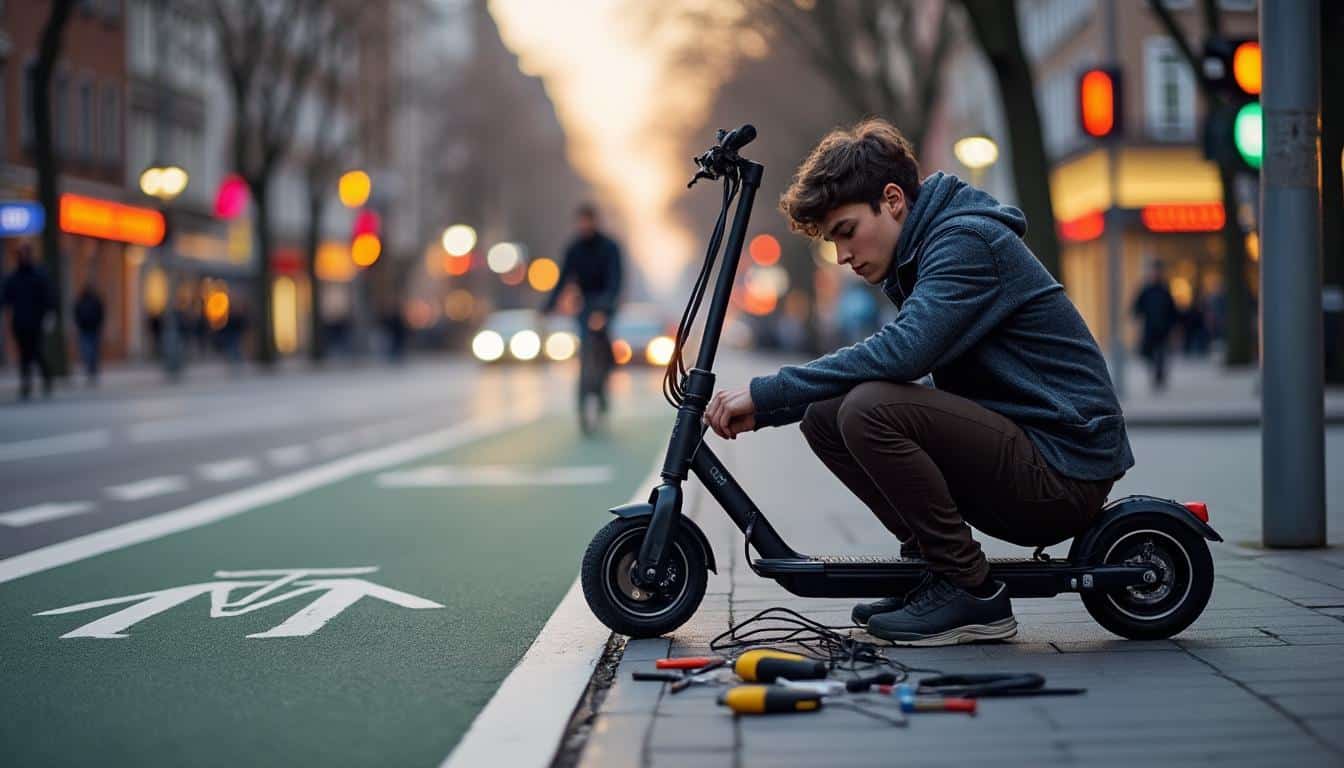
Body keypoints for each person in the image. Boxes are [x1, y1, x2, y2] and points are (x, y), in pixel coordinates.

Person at [701, 119, 1133, 647]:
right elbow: (905, 364)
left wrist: (767, 393)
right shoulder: (924, 248)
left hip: (1062, 471)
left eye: (846, 232)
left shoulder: (966, 242)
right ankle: (932, 569)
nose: (842, 256)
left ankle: (967, 590)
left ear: (892, 199)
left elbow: (903, 354)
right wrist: (772, 410)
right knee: (827, 414)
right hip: (1028, 450)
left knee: (868, 409)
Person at [542, 203, 624, 411]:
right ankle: (586, 383)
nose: (584, 225)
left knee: (603, 341)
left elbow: (616, 279)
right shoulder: (574, 248)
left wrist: (607, 306)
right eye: (581, 222)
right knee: (585, 340)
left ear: (595, 221)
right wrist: (548, 305)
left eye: (588, 221)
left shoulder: (610, 247)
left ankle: (604, 378)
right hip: (586, 302)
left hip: (605, 300)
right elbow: (563, 279)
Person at [1, 243, 55, 399]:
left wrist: (49, 315)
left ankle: (46, 377)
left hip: (36, 322)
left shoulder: (38, 275)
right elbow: (5, 297)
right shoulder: (13, 278)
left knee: (37, 352)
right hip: (19, 323)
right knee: (24, 354)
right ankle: (26, 384)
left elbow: (48, 296)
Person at [1132, 260, 1178, 392]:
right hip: (1150, 327)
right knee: (1149, 353)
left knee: (1162, 353)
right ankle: (1156, 373)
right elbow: (1137, 306)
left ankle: (1160, 374)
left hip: (1163, 328)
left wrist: (1174, 326)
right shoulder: (1146, 290)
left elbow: (1172, 309)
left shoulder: (1164, 290)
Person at [74, 281, 106, 385]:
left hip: (92, 329)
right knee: (88, 351)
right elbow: (76, 313)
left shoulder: (92, 300)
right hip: (86, 330)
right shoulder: (83, 300)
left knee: (91, 351)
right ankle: (90, 370)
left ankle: (92, 370)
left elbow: (101, 313)